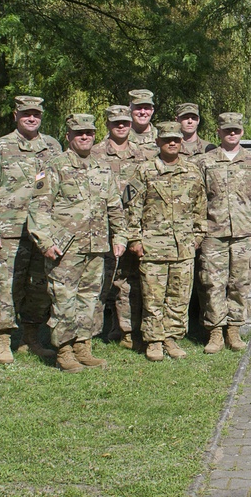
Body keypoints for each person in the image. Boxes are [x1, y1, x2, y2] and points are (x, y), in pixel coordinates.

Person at [27, 114, 127, 372]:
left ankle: (83, 346)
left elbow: (115, 206)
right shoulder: (54, 166)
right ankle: (64, 350)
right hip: (65, 248)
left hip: (96, 246)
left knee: (89, 299)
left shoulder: (102, 168)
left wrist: (120, 235)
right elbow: (39, 208)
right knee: (64, 299)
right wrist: (45, 242)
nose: (85, 137)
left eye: (89, 133)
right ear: (68, 136)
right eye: (79, 133)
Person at [0, 95, 61, 364]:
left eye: (36, 114)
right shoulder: (1, 147)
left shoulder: (53, 147)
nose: (31, 118)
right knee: (6, 287)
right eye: (26, 114)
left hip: (43, 231)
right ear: (16, 116)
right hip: (10, 230)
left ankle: (30, 338)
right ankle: (3, 340)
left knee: (39, 288)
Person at [126, 122, 207, 361]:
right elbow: (132, 207)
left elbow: (200, 207)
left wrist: (198, 235)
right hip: (153, 247)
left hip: (183, 247)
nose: (172, 143)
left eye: (176, 139)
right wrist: (134, 238)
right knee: (153, 297)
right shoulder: (144, 170)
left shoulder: (192, 171)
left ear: (181, 142)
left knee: (178, 297)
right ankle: (153, 341)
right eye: (167, 139)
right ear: (158, 142)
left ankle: (172, 338)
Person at [196, 112, 251, 353]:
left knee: (239, 283)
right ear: (218, 132)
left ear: (241, 132)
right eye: (227, 130)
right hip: (213, 233)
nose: (231, 134)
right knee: (212, 284)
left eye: (235, 130)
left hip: (243, 233)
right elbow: (196, 200)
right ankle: (215, 332)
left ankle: (234, 330)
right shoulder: (205, 162)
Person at [90, 105, 151, 348]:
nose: (121, 126)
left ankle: (127, 331)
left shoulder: (143, 154)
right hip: (101, 226)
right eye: (116, 123)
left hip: (133, 225)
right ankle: (90, 334)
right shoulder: (94, 153)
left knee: (129, 280)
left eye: (125, 122)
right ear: (107, 125)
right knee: (101, 281)